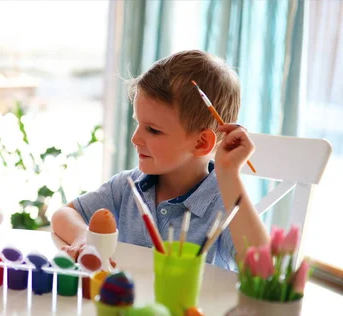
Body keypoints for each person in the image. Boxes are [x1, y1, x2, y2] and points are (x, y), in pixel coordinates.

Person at [51, 50, 269, 270]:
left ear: (201, 143)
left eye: (153, 130)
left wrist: (230, 175)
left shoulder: (226, 202)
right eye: (138, 123)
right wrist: (83, 238)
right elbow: (64, 215)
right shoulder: (128, 187)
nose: (135, 138)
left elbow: (263, 269)